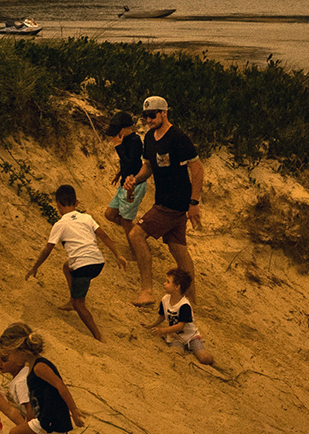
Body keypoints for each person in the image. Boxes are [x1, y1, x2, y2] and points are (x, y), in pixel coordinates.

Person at [127, 95, 201, 285]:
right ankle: (190, 304)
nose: (149, 120)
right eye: (146, 116)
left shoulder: (178, 138)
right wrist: (135, 179)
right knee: (179, 253)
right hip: (164, 200)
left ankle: (147, 290)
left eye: (152, 115)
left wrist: (194, 202)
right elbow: (149, 166)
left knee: (136, 235)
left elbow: (197, 169)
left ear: (164, 113)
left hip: (172, 203)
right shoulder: (150, 138)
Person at [26, 183, 106, 340]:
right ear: (76, 202)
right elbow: (104, 236)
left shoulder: (60, 224)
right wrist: (117, 254)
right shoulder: (86, 217)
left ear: (57, 205)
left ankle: (98, 336)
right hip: (98, 262)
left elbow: (47, 249)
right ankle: (71, 301)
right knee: (67, 266)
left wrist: (35, 267)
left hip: (84, 266)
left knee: (79, 304)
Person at [96, 112, 145, 271]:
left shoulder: (135, 141)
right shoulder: (124, 139)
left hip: (133, 184)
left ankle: (136, 251)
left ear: (125, 128)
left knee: (125, 221)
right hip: (125, 182)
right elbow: (128, 163)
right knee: (110, 214)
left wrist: (117, 146)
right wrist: (119, 173)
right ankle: (135, 233)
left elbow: (132, 163)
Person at [145, 267, 215, 369]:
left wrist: (163, 330)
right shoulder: (165, 299)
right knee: (176, 353)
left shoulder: (184, 305)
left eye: (168, 282)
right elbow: (162, 316)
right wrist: (152, 325)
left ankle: (213, 360)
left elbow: (180, 326)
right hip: (175, 337)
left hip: (190, 336)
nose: (164, 284)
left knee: (204, 358)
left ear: (177, 287)